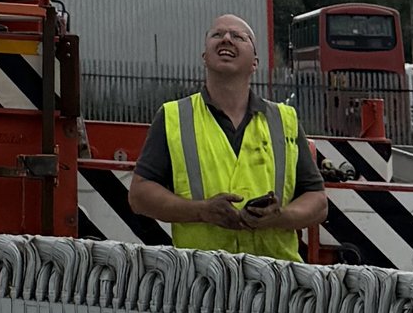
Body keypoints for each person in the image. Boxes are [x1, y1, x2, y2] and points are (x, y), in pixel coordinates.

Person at [127, 15, 327, 255]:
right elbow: (140, 195)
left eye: (239, 37)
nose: (227, 39)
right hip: (202, 279)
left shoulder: (284, 120)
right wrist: (201, 211)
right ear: (205, 58)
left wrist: (280, 216)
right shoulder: (173, 117)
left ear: (255, 62)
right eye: (217, 35)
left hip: (275, 278)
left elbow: (317, 201)